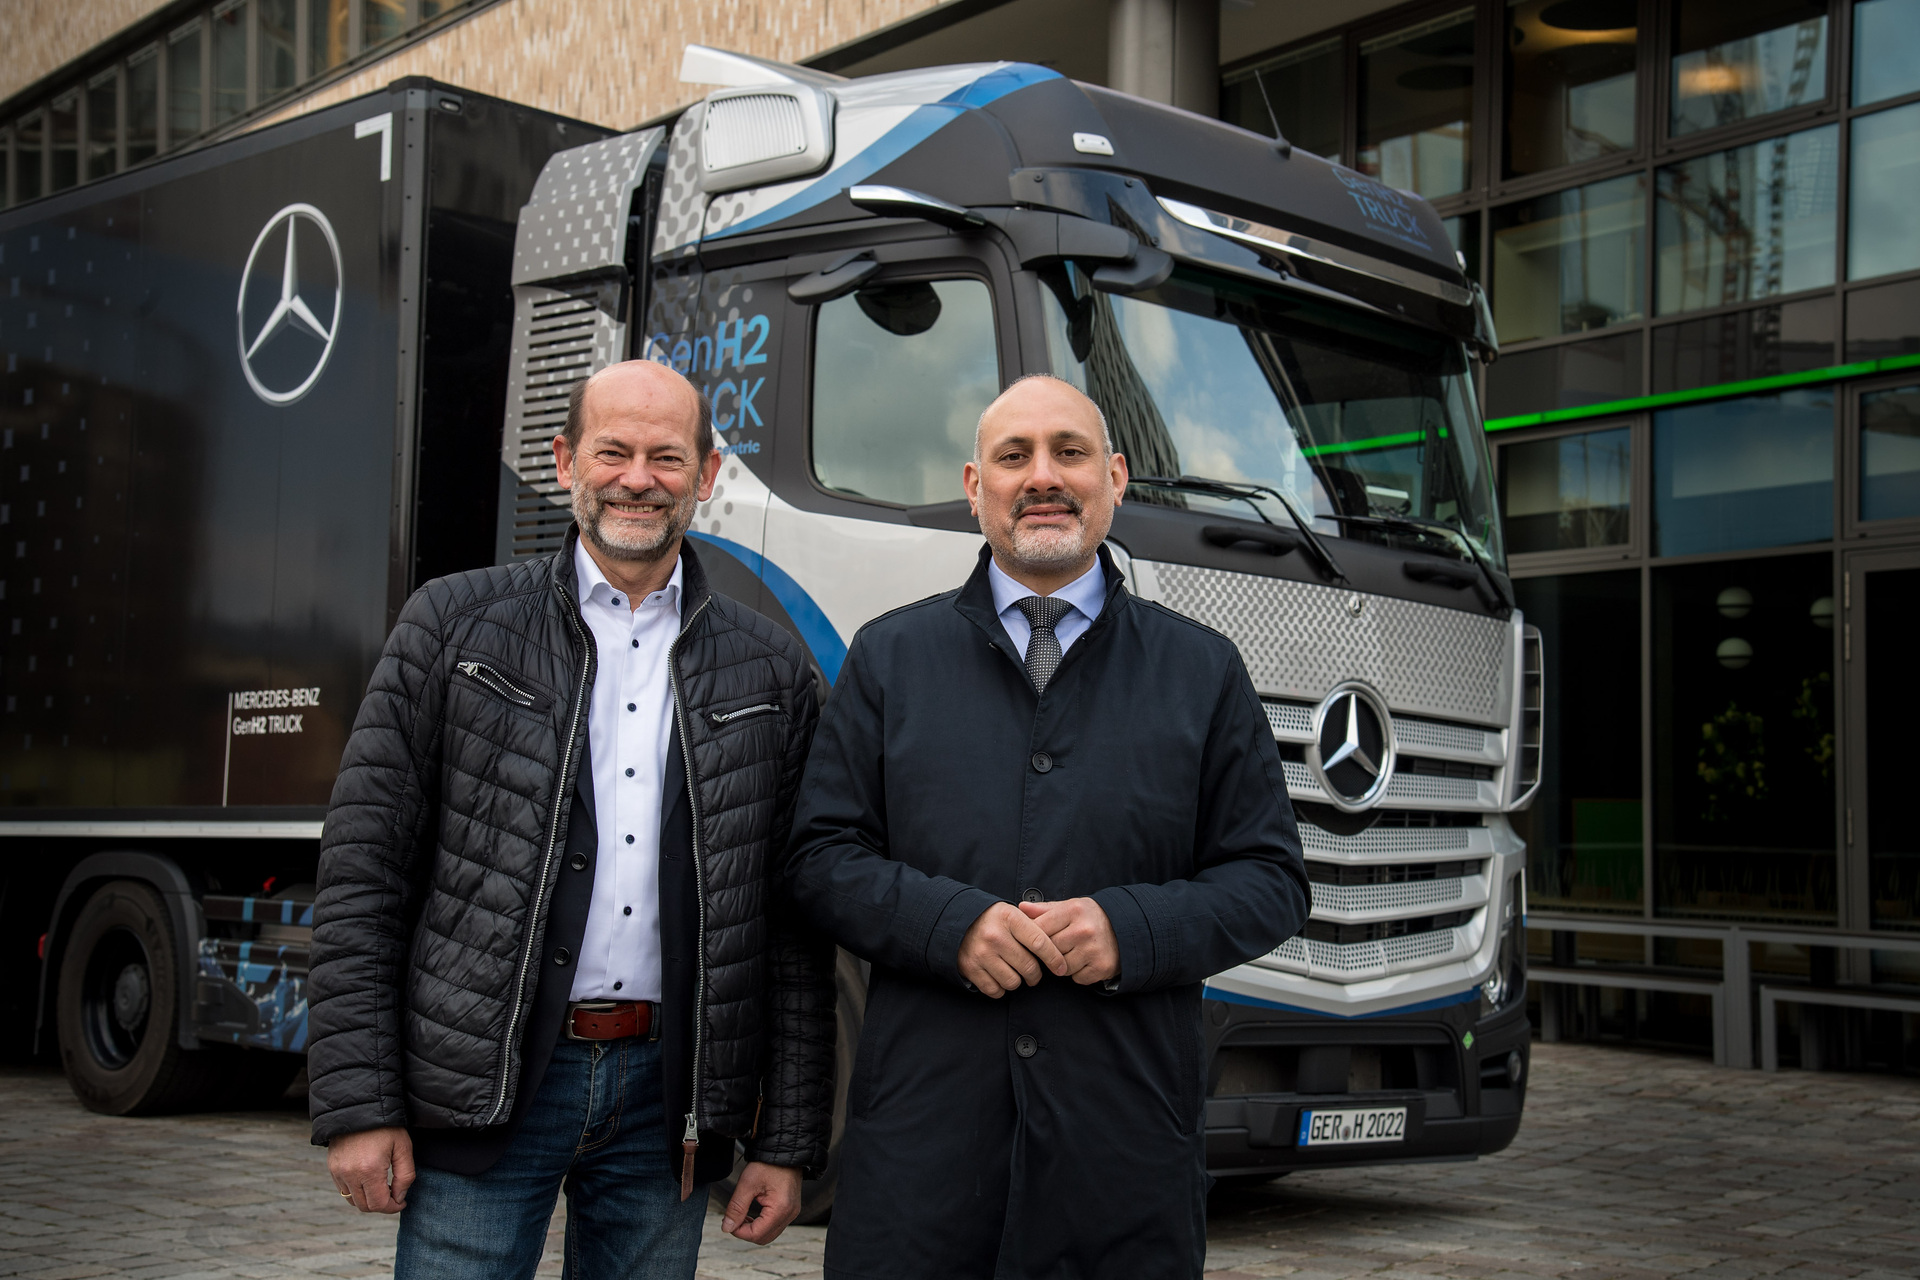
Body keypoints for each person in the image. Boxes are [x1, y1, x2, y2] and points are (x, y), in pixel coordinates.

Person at [306, 360, 835, 1279]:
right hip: (487, 1085)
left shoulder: (773, 672)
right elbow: (364, 875)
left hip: (665, 1102)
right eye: (614, 452)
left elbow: (792, 931)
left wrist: (784, 1141)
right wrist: (359, 1105)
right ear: (564, 462)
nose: (639, 478)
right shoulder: (452, 627)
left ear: (706, 476)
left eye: (668, 457)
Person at [782, 374, 1311, 1279]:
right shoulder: (888, 658)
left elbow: (1270, 881)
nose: (1043, 476)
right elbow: (819, 861)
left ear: (1114, 477)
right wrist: (947, 927)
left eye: (1068, 452)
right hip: (921, 1165)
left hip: (1121, 1163)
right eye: (1014, 456)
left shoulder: (1203, 670)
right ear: (974, 484)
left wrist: (1131, 929)